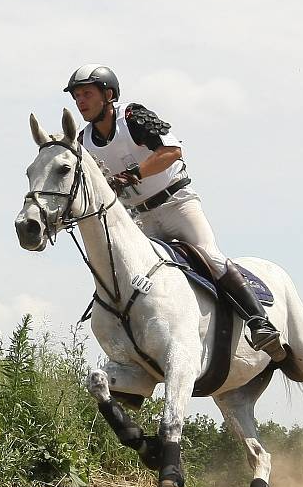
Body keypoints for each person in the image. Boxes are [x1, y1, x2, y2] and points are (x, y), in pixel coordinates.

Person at [64, 64, 286, 362]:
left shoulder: (132, 117)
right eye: (77, 96)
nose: (81, 102)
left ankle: (260, 322)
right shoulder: (83, 142)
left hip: (177, 204)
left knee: (211, 256)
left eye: (87, 94)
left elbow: (171, 152)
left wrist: (130, 175)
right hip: (141, 218)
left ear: (109, 94)